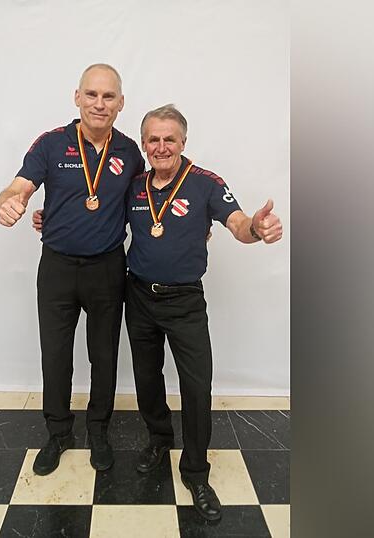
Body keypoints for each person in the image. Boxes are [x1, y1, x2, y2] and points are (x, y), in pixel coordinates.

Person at [34, 104, 282, 521]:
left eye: (170, 139)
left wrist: (256, 229)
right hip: (139, 297)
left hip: (185, 301)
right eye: (153, 139)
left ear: (183, 142)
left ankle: (196, 472)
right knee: (147, 378)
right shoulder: (133, 185)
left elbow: (238, 222)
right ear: (144, 144)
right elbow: (96, 211)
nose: (161, 146)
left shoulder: (205, 183)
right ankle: (158, 438)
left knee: (196, 385)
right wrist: (52, 217)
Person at [0, 64, 145, 475]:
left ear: (121, 103)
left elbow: (145, 201)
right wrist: (8, 202)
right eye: (92, 95)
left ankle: (99, 430)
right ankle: (58, 433)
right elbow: (17, 187)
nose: (99, 103)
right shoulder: (51, 144)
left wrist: (190, 228)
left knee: (104, 356)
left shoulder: (130, 152)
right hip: (58, 268)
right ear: (77, 97)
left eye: (108, 96)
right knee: (56, 356)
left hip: (108, 269)